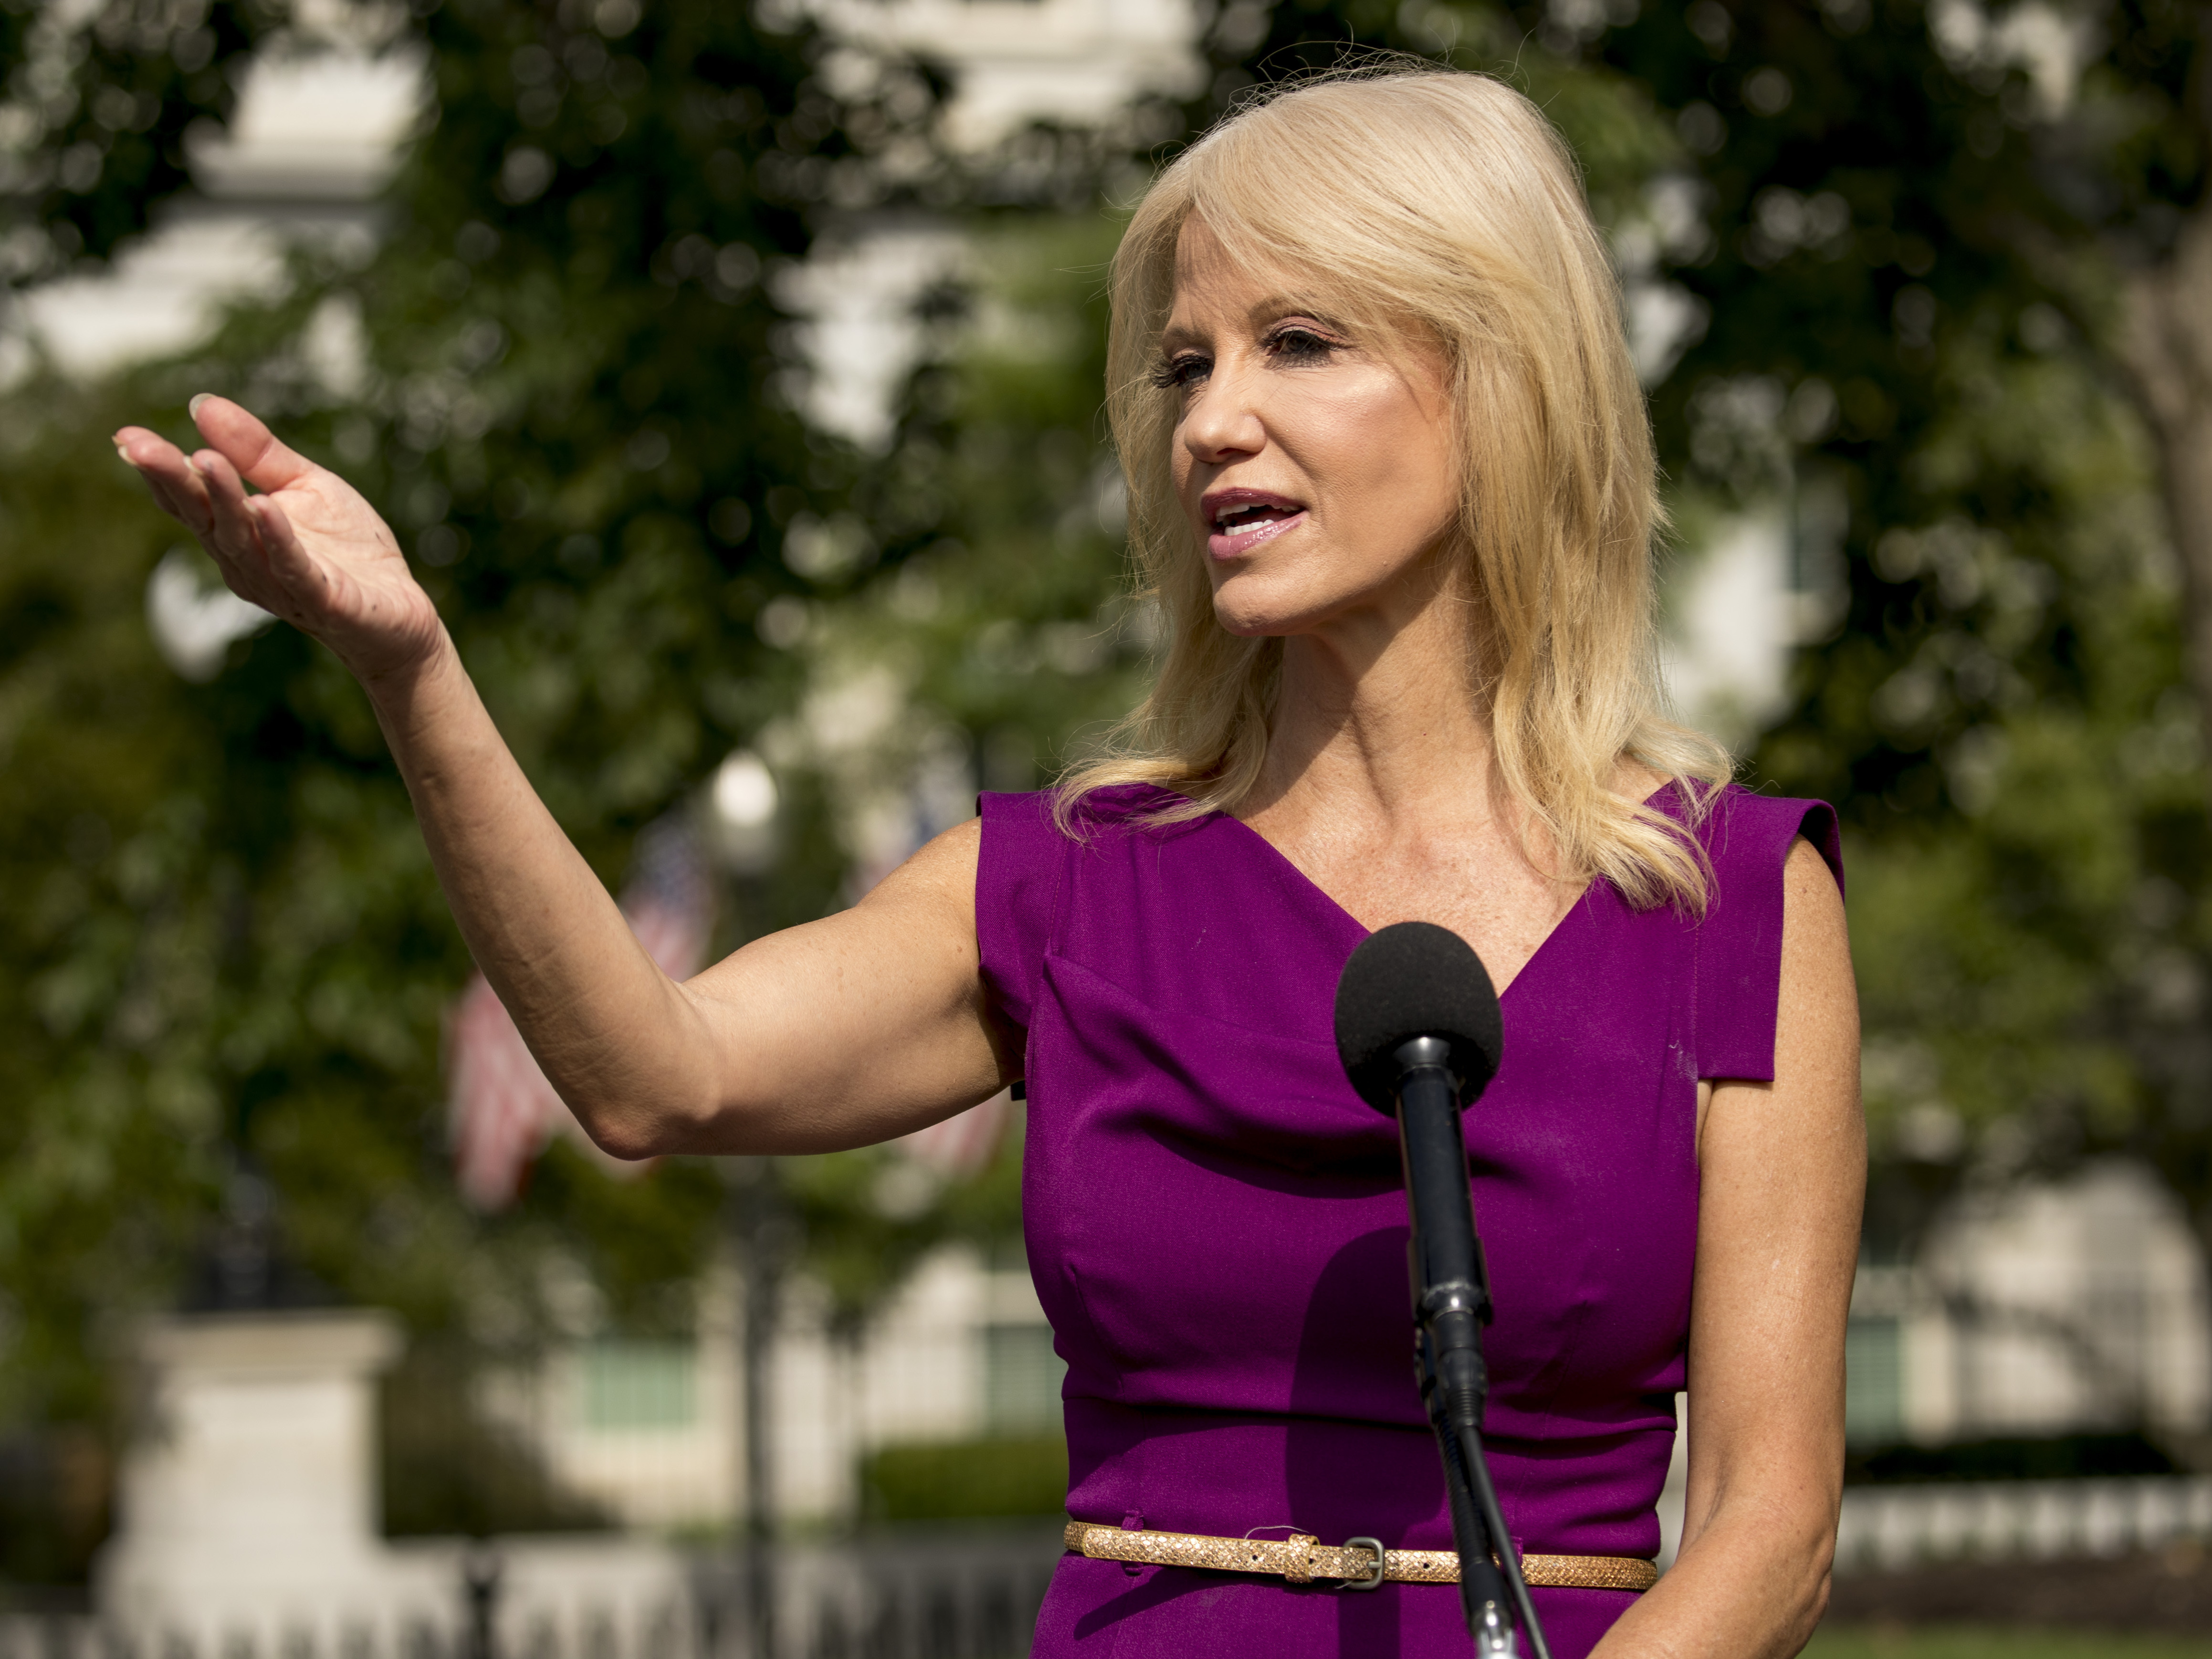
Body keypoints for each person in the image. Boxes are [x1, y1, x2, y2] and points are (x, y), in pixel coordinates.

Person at [116, 64, 1862, 1659]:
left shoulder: (1728, 901)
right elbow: (657, 1072)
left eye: (1299, 344)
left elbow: (1768, 1526)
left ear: (1502, 382)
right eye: (1187, 364)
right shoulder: (1067, 885)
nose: (1210, 422)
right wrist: (411, 667)